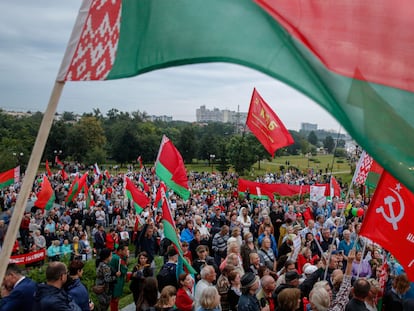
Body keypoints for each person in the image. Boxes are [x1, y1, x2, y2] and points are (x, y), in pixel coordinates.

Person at [109, 243, 129, 311]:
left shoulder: (114, 256)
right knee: (115, 301)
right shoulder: (119, 259)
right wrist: (127, 257)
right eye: (125, 251)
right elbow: (124, 271)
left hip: (112, 281)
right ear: (120, 251)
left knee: (113, 301)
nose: (127, 252)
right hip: (117, 283)